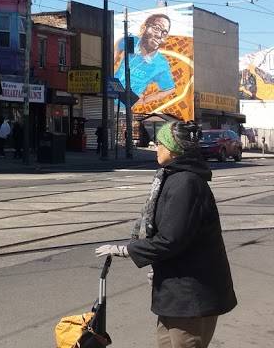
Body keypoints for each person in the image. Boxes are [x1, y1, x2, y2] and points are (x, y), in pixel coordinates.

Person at [94, 121, 236, 348]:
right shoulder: (174, 177)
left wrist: (127, 250)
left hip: (191, 297)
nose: (155, 147)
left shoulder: (186, 183)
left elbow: (171, 239)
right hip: (176, 292)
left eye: (160, 143)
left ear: (173, 148)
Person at [115, 14, 177, 108]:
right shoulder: (131, 41)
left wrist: (145, 100)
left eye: (164, 33)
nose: (159, 35)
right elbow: (110, 60)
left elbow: (170, 89)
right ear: (144, 28)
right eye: (156, 28)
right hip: (108, 97)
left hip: (125, 106)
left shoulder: (161, 64)